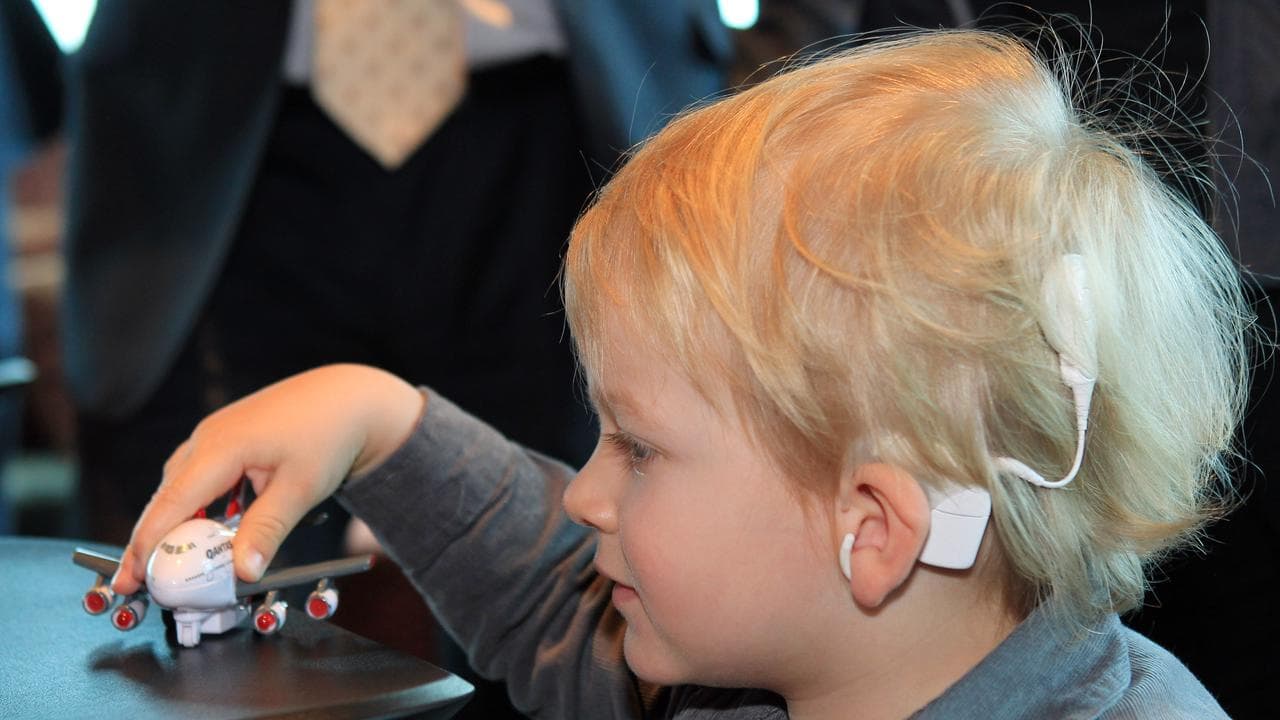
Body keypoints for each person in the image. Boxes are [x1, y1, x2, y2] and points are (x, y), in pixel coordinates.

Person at [112, 30, 1242, 718]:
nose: (586, 495)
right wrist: (376, 419)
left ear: (874, 528)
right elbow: (554, 599)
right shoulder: (743, 655)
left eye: (638, 449)